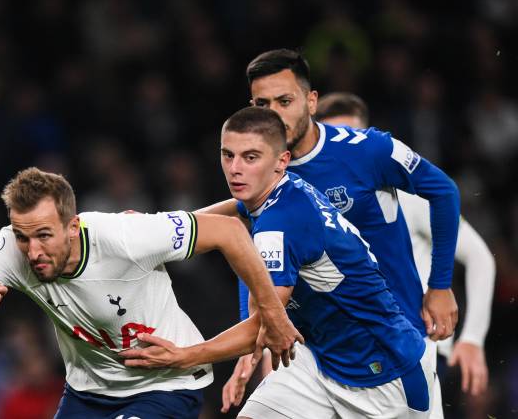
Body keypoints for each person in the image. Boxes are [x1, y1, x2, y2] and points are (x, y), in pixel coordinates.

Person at [121, 106, 435, 418]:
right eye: (228, 155)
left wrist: (184, 356)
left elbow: (266, 324)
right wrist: (159, 226)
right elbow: (233, 211)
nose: (235, 168)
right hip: (320, 361)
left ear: (281, 161)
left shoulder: (280, 225)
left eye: (250, 157)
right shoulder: (276, 190)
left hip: (384, 375)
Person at [0, 167, 301, 419]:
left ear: (72, 226)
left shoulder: (125, 236)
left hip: (166, 384)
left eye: (44, 235)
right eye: (23, 236)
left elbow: (229, 231)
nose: (33, 251)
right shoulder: (12, 247)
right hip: (88, 393)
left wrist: (274, 313)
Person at [213, 49, 461, 412]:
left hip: (392, 340)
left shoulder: (368, 150)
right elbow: (254, 254)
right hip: (314, 349)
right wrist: (253, 345)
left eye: (285, 100)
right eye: (264, 103)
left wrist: (439, 286)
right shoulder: (261, 171)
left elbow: (444, 192)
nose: (275, 114)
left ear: (311, 101)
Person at [316, 91, 495, 403]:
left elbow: (480, 256)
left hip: (418, 344)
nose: (341, 143)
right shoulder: (310, 205)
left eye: (350, 134)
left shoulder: (407, 196)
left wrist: (473, 338)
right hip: (343, 353)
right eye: (331, 135)